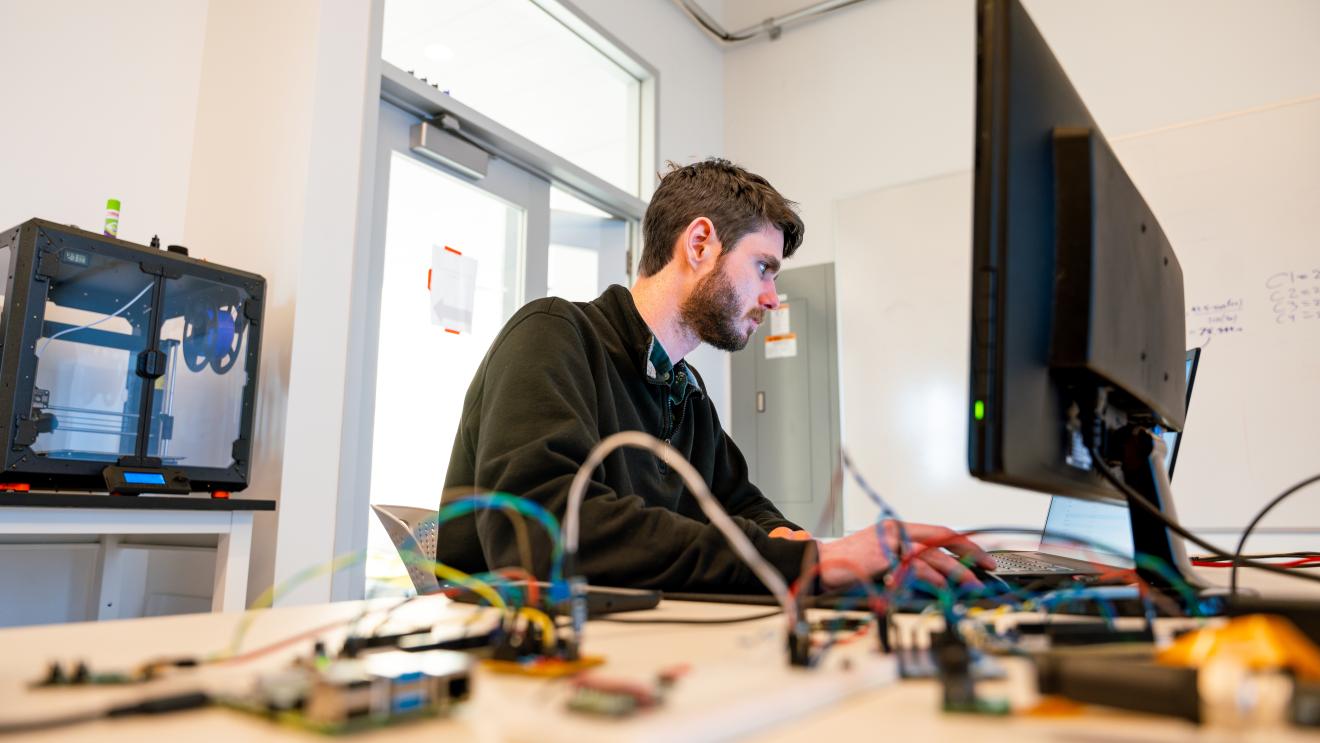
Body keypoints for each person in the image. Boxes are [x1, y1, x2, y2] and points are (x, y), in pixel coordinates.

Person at [437, 158, 993, 592]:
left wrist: (821, 552)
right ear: (700, 244)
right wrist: (812, 560)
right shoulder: (554, 334)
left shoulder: (683, 390)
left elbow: (743, 506)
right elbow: (538, 532)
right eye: (763, 268)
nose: (773, 297)